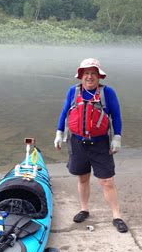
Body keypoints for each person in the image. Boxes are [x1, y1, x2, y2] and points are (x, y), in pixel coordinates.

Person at [54, 58, 128, 233]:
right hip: (77, 142)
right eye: (86, 73)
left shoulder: (107, 93)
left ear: (99, 76)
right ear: (81, 76)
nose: (89, 77)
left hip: (100, 143)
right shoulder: (73, 91)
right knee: (83, 178)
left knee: (107, 181)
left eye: (93, 73)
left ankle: (117, 215)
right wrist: (59, 133)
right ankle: (84, 209)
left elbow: (116, 116)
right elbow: (65, 112)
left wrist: (117, 137)